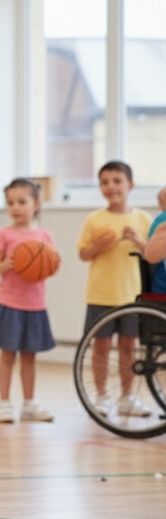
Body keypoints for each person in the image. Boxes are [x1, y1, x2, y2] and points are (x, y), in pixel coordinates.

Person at [77, 160, 152, 417]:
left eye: (117, 181)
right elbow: (83, 254)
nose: (111, 187)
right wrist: (96, 245)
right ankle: (101, 397)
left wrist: (140, 242)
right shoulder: (94, 219)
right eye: (105, 182)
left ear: (130, 185)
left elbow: (153, 255)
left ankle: (128, 397)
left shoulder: (143, 218)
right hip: (100, 294)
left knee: (129, 347)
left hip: (132, 296)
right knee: (101, 347)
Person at [0, 178, 57, 423]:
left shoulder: (44, 235)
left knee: (30, 358)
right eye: (10, 203)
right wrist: (8, 264)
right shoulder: (4, 234)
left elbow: (50, 267)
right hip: (9, 304)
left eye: (21, 202)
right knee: (7, 356)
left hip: (35, 305)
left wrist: (46, 264)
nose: (15, 207)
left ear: (36, 204)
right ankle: (4, 404)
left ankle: (29, 404)